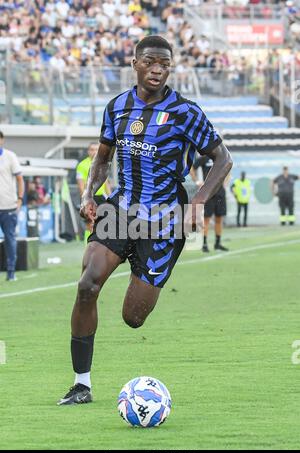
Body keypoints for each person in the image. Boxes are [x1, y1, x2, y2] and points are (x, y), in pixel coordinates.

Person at [57, 35, 232, 405]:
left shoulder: (186, 112)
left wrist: (198, 201)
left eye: (165, 64)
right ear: (135, 62)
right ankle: (81, 384)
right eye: (150, 61)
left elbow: (223, 159)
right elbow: (103, 157)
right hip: (122, 209)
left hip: (166, 220)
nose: (157, 69)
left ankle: (140, 264)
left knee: (133, 318)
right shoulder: (118, 107)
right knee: (87, 285)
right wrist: (90, 193)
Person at [0, 130, 25, 281]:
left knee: (10, 239)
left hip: (8, 205)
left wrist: (20, 198)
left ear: (2, 140)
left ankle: (11, 272)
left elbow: (20, 179)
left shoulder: (10, 156)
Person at [193, 154, 229, 253]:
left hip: (220, 192)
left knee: (219, 218)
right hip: (208, 192)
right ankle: (204, 244)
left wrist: (225, 182)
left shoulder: (221, 157)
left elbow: (228, 168)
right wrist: (197, 181)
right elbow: (193, 168)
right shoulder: (205, 158)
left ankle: (217, 243)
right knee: (206, 218)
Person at [76, 142, 111, 241]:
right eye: (92, 149)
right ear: (88, 151)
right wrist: (85, 200)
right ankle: (88, 246)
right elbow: (81, 184)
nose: (94, 152)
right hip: (90, 198)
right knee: (90, 224)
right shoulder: (82, 165)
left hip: (101, 198)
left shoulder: (103, 164)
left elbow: (106, 183)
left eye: (96, 149)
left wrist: (110, 197)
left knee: (104, 224)